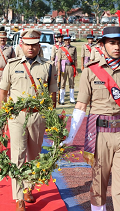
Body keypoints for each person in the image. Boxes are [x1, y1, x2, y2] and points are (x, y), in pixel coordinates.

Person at [61, 26, 120, 211]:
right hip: (99, 135)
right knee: (99, 183)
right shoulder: (90, 71)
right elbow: (81, 106)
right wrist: (71, 137)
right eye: (112, 43)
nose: (117, 47)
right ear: (102, 44)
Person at [0, 29, 57, 211]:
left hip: (37, 116)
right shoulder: (11, 65)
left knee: (34, 155)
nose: (31, 48)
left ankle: (28, 187)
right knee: (17, 155)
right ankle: (19, 199)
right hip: (17, 116)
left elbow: (52, 94)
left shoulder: (48, 66)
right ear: (21, 46)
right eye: (27, 45)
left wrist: (51, 117)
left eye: (34, 45)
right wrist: (3, 115)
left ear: (39, 46)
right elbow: (3, 92)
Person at [57, 33, 77, 105]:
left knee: (71, 83)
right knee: (62, 83)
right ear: (64, 40)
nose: (67, 41)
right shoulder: (61, 49)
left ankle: (72, 99)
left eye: (68, 40)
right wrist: (59, 70)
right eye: (66, 40)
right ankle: (61, 99)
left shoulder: (73, 48)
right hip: (63, 67)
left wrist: (76, 69)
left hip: (71, 66)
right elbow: (58, 60)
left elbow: (75, 60)